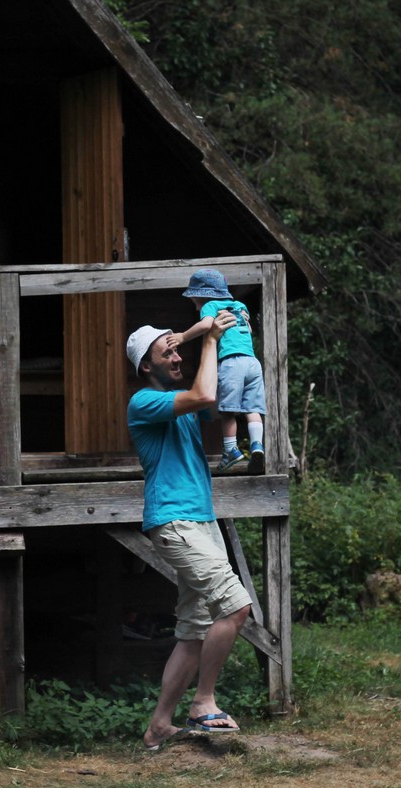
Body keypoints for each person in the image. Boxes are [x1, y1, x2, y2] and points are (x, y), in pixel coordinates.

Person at [126, 313, 254, 751]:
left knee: (195, 630)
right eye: (168, 352)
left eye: (178, 349)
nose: (177, 355)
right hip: (175, 521)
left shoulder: (181, 400)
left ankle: (160, 724)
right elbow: (204, 393)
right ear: (147, 365)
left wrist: (226, 343)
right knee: (235, 607)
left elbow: (214, 395)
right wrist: (211, 340)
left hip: (200, 520)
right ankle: (203, 701)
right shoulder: (144, 401)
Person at [166, 268, 267, 474]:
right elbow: (247, 328)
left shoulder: (210, 305)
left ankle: (231, 449)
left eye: (194, 299)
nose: (194, 305)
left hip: (232, 362)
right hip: (252, 363)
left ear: (203, 294)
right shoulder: (239, 306)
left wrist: (183, 337)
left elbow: (205, 326)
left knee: (228, 411)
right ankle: (257, 445)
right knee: (252, 409)